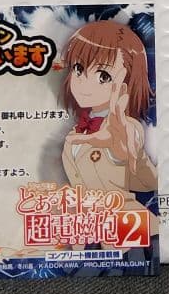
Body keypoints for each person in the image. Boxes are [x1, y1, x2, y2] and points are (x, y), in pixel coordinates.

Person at [61, 19, 159, 240]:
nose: (84, 83)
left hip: (130, 233)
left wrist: (129, 154)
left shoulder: (124, 127)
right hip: (91, 236)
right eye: (79, 69)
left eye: (103, 76)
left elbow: (148, 183)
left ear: (127, 82)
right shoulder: (77, 131)